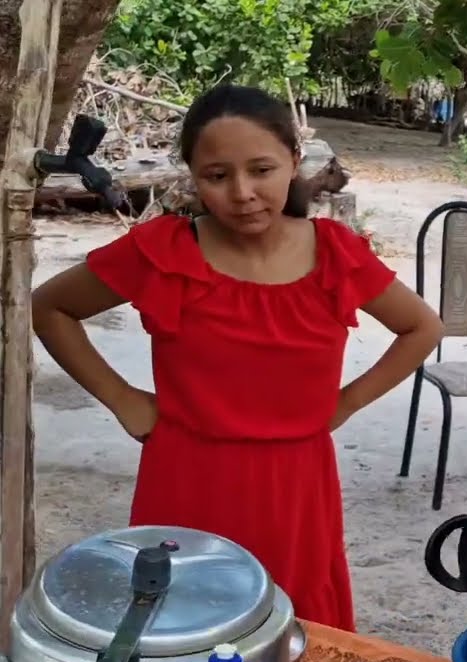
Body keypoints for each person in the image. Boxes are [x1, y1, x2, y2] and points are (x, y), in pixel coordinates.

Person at [31, 84, 443, 632]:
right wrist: (123, 399)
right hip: (184, 478)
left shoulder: (336, 254)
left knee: (294, 640)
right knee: (180, 631)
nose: (243, 192)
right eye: (217, 176)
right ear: (193, 176)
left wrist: (345, 403)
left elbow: (422, 326)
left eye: (262, 170)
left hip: (296, 488)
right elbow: (50, 307)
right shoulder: (163, 252)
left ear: (295, 162)